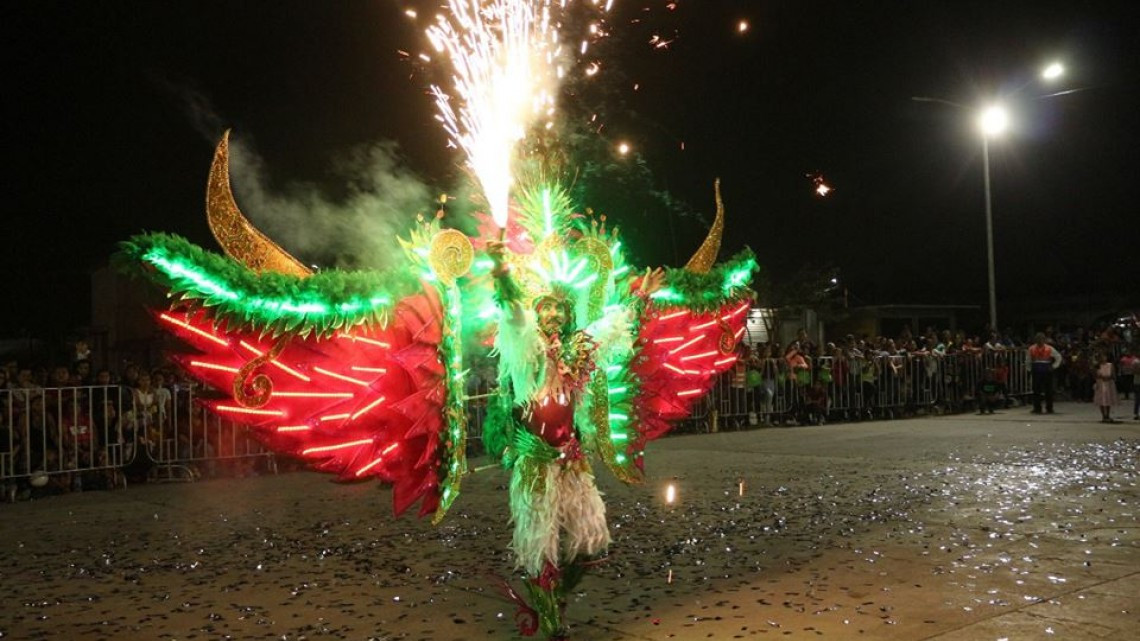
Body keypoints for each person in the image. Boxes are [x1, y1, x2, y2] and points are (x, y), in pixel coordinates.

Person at [1027, 333, 1062, 414]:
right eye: (1038, 339)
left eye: (1041, 339)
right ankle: (1037, 408)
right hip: (1036, 369)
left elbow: (1058, 357)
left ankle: (1049, 408)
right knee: (1036, 390)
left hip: (1046, 370)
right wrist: (1029, 369)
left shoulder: (1049, 348)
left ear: (1044, 340)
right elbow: (1028, 359)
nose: (1039, 341)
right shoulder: (1031, 348)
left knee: (1048, 390)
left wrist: (1053, 366)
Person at [1093, 351, 1119, 423]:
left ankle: (1107, 415)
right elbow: (1095, 375)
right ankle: (1103, 416)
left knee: (1108, 400)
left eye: (1104, 356)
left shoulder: (1110, 365)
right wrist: (1099, 376)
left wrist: (1108, 377)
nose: (1103, 358)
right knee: (1101, 400)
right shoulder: (1097, 366)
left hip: (1108, 384)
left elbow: (1114, 375)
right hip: (1100, 384)